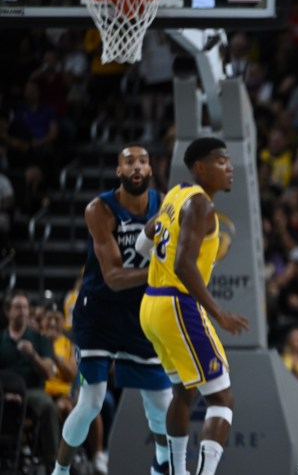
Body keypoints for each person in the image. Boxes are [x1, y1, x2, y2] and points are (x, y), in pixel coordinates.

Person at [52, 146, 173, 475]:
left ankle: (162, 465)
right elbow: (114, 278)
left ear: (150, 170)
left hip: (140, 316)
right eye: (129, 162)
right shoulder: (100, 209)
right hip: (99, 313)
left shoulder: (165, 206)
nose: (137, 166)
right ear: (119, 171)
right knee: (91, 401)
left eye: (143, 161)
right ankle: (59, 471)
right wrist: (163, 273)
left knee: (161, 407)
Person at [137, 137, 249, 475]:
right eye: (221, 161)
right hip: (176, 304)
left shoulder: (176, 193)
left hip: (151, 305)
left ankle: (176, 472)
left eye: (229, 161)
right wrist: (220, 313)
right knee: (221, 399)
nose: (229, 167)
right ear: (200, 167)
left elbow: (144, 242)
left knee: (183, 393)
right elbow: (185, 265)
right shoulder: (201, 205)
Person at [0, 291, 58, 466]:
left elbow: (49, 372)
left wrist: (33, 355)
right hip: (3, 392)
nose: (23, 311)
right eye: (18, 307)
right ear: (8, 311)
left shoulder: (39, 339)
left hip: (31, 391)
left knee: (48, 405)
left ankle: (53, 464)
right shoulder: (1, 339)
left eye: (25, 307)